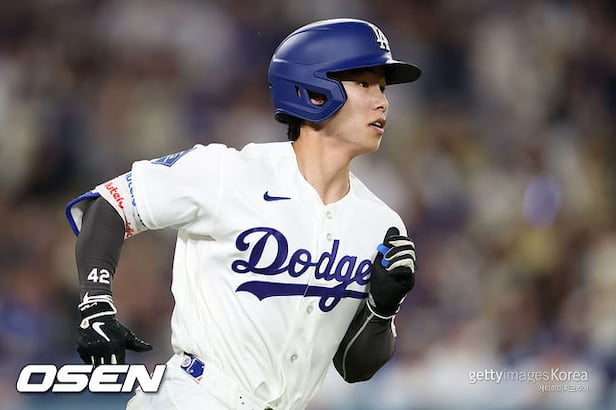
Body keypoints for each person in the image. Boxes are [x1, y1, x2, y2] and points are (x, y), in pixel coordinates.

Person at [65, 18, 420, 410]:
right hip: (194, 397)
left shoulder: (380, 223)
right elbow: (109, 204)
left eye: (383, 88)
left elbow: (355, 367)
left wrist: (381, 310)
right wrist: (96, 303)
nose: (382, 102)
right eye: (365, 84)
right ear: (315, 92)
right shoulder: (228, 172)